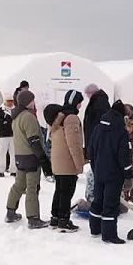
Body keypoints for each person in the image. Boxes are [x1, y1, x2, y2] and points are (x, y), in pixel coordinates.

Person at [87, 100, 133, 244]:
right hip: (114, 175)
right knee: (111, 204)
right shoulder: (120, 131)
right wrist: (128, 174)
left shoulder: (98, 127)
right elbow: (124, 156)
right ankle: (109, 234)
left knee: (97, 200)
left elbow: (91, 149)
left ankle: (95, 229)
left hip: (99, 171)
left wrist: (95, 167)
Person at [5, 90, 52, 228]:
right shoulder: (28, 117)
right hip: (31, 157)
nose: (34, 102)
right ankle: (33, 218)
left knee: (19, 184)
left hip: (20, 156)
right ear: (27, 102)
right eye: (32, 100)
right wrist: (43, 159)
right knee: (32, 187)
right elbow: (34, 140)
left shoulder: (16, 117)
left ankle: (10, 212)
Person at [48, 90, 84, 233]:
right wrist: (79, 164)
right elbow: (73, 144)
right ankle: (64, 220)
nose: (80, 106)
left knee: (59, 190)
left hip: (57, 161)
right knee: (67, 192)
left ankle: (55, 218)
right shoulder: (71, 118)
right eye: (80, 103)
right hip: (67, 162)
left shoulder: (58, 117)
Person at [82, 83, 111, 202]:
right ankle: (98, 197)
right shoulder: (99, 101)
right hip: (96, 144)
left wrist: (92, 145)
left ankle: (98, 198)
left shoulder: (98, 103)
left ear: (91, 93)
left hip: (98, 145)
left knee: (98, 172)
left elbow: (96, 126)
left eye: (88, 94)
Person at [0, 93, 15, 178]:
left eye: (11, 101)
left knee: (14, 153)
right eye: (8, 101)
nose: (10, 103)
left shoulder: (15, 110)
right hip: (2, 135)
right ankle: (0, 170)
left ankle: (14, 170)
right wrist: (2, 122)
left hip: (13, 135)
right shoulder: (0, 110)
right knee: (1, 153)